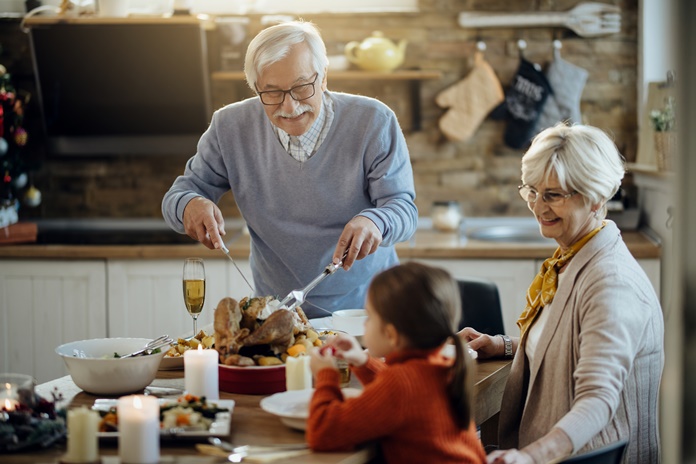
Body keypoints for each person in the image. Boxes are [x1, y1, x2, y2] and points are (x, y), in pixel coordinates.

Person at [161, 20, 417, 318]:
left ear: (322, 79)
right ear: (255, 88)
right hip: (279, 317)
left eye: (301, 88)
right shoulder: (229, 127)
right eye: (271, 93)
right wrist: (189, 205)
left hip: (369, 312)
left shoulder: (373, 121)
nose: (290, 106)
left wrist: (376, 221)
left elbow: (403, 209)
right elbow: (179, 195)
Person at [459, 123, 664, 464]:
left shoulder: (610, 283)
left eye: (553, 195)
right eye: (532, 191)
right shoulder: (573, 256)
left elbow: (597, 399)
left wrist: (532, 457)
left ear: (596, 196)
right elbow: (570, 344)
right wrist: (506, 345)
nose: (538, 207)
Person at [306, 262, 486, 464]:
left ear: (391, 335)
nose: (365, 324)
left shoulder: (400, 384)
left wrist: (326, 376)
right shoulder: (443, 363)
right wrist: (363, 360)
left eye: (370, 317)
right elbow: (402, 391)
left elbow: (323, 432)